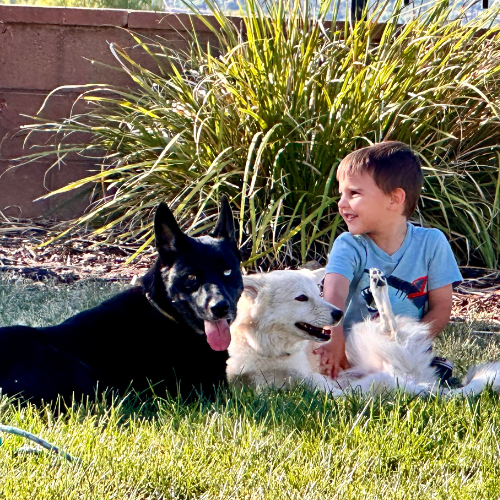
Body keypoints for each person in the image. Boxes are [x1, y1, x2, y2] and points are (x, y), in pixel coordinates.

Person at [315, 141, 462, 381]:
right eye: (341, 194)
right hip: (355, 351)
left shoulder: (432, 243)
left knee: (407, 377)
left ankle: (423, 368)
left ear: (394, 199)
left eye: (354, 193)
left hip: (405, 349)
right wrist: (335, 339)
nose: (341, 203)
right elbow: (334, 295)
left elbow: (442, 308)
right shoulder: (349, 245)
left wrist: (411, 345)